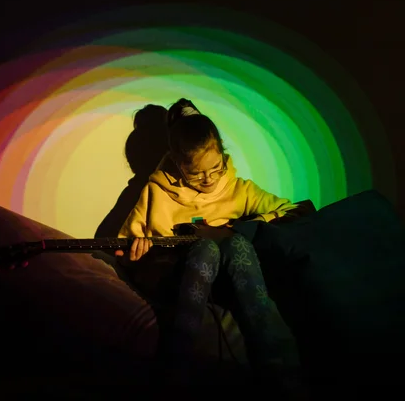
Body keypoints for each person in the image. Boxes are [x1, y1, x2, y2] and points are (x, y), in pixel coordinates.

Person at [114, 98, 304, 393]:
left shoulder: (239, 189)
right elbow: (123, 247)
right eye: (196, 173)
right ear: (177, 163)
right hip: (184, 277)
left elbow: (293, 211)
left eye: (215, 168)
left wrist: (235, 228)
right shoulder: (156, 192)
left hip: (232, 279)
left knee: (235, 244)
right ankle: (176, 368)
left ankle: (280, 374)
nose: (208, 179)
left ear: (223, 154)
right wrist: (137, 250)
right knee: (206, 248)